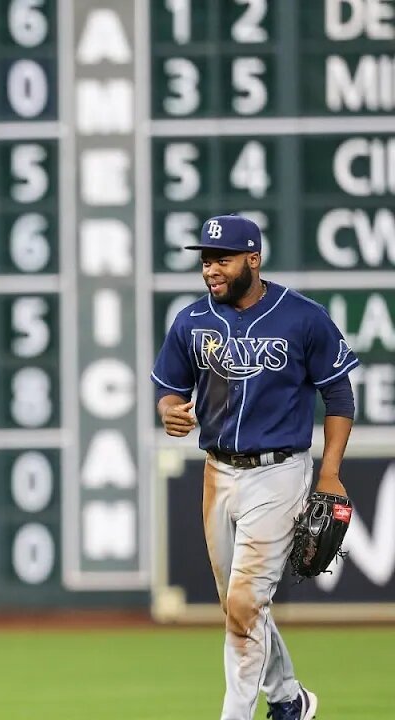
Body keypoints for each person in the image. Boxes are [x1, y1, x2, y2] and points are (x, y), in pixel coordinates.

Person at [150, 214, 359, 720]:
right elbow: (168, 387)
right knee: (239, 605)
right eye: (205, 260)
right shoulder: (192, 321)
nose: (210, 270)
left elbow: (339, 394)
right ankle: (289, 697)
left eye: (221, 259)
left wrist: (329, 472)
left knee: (244, 604)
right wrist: (168, 411)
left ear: (253, 259)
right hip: (217, 472)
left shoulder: (302, 317)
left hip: (279, 472)